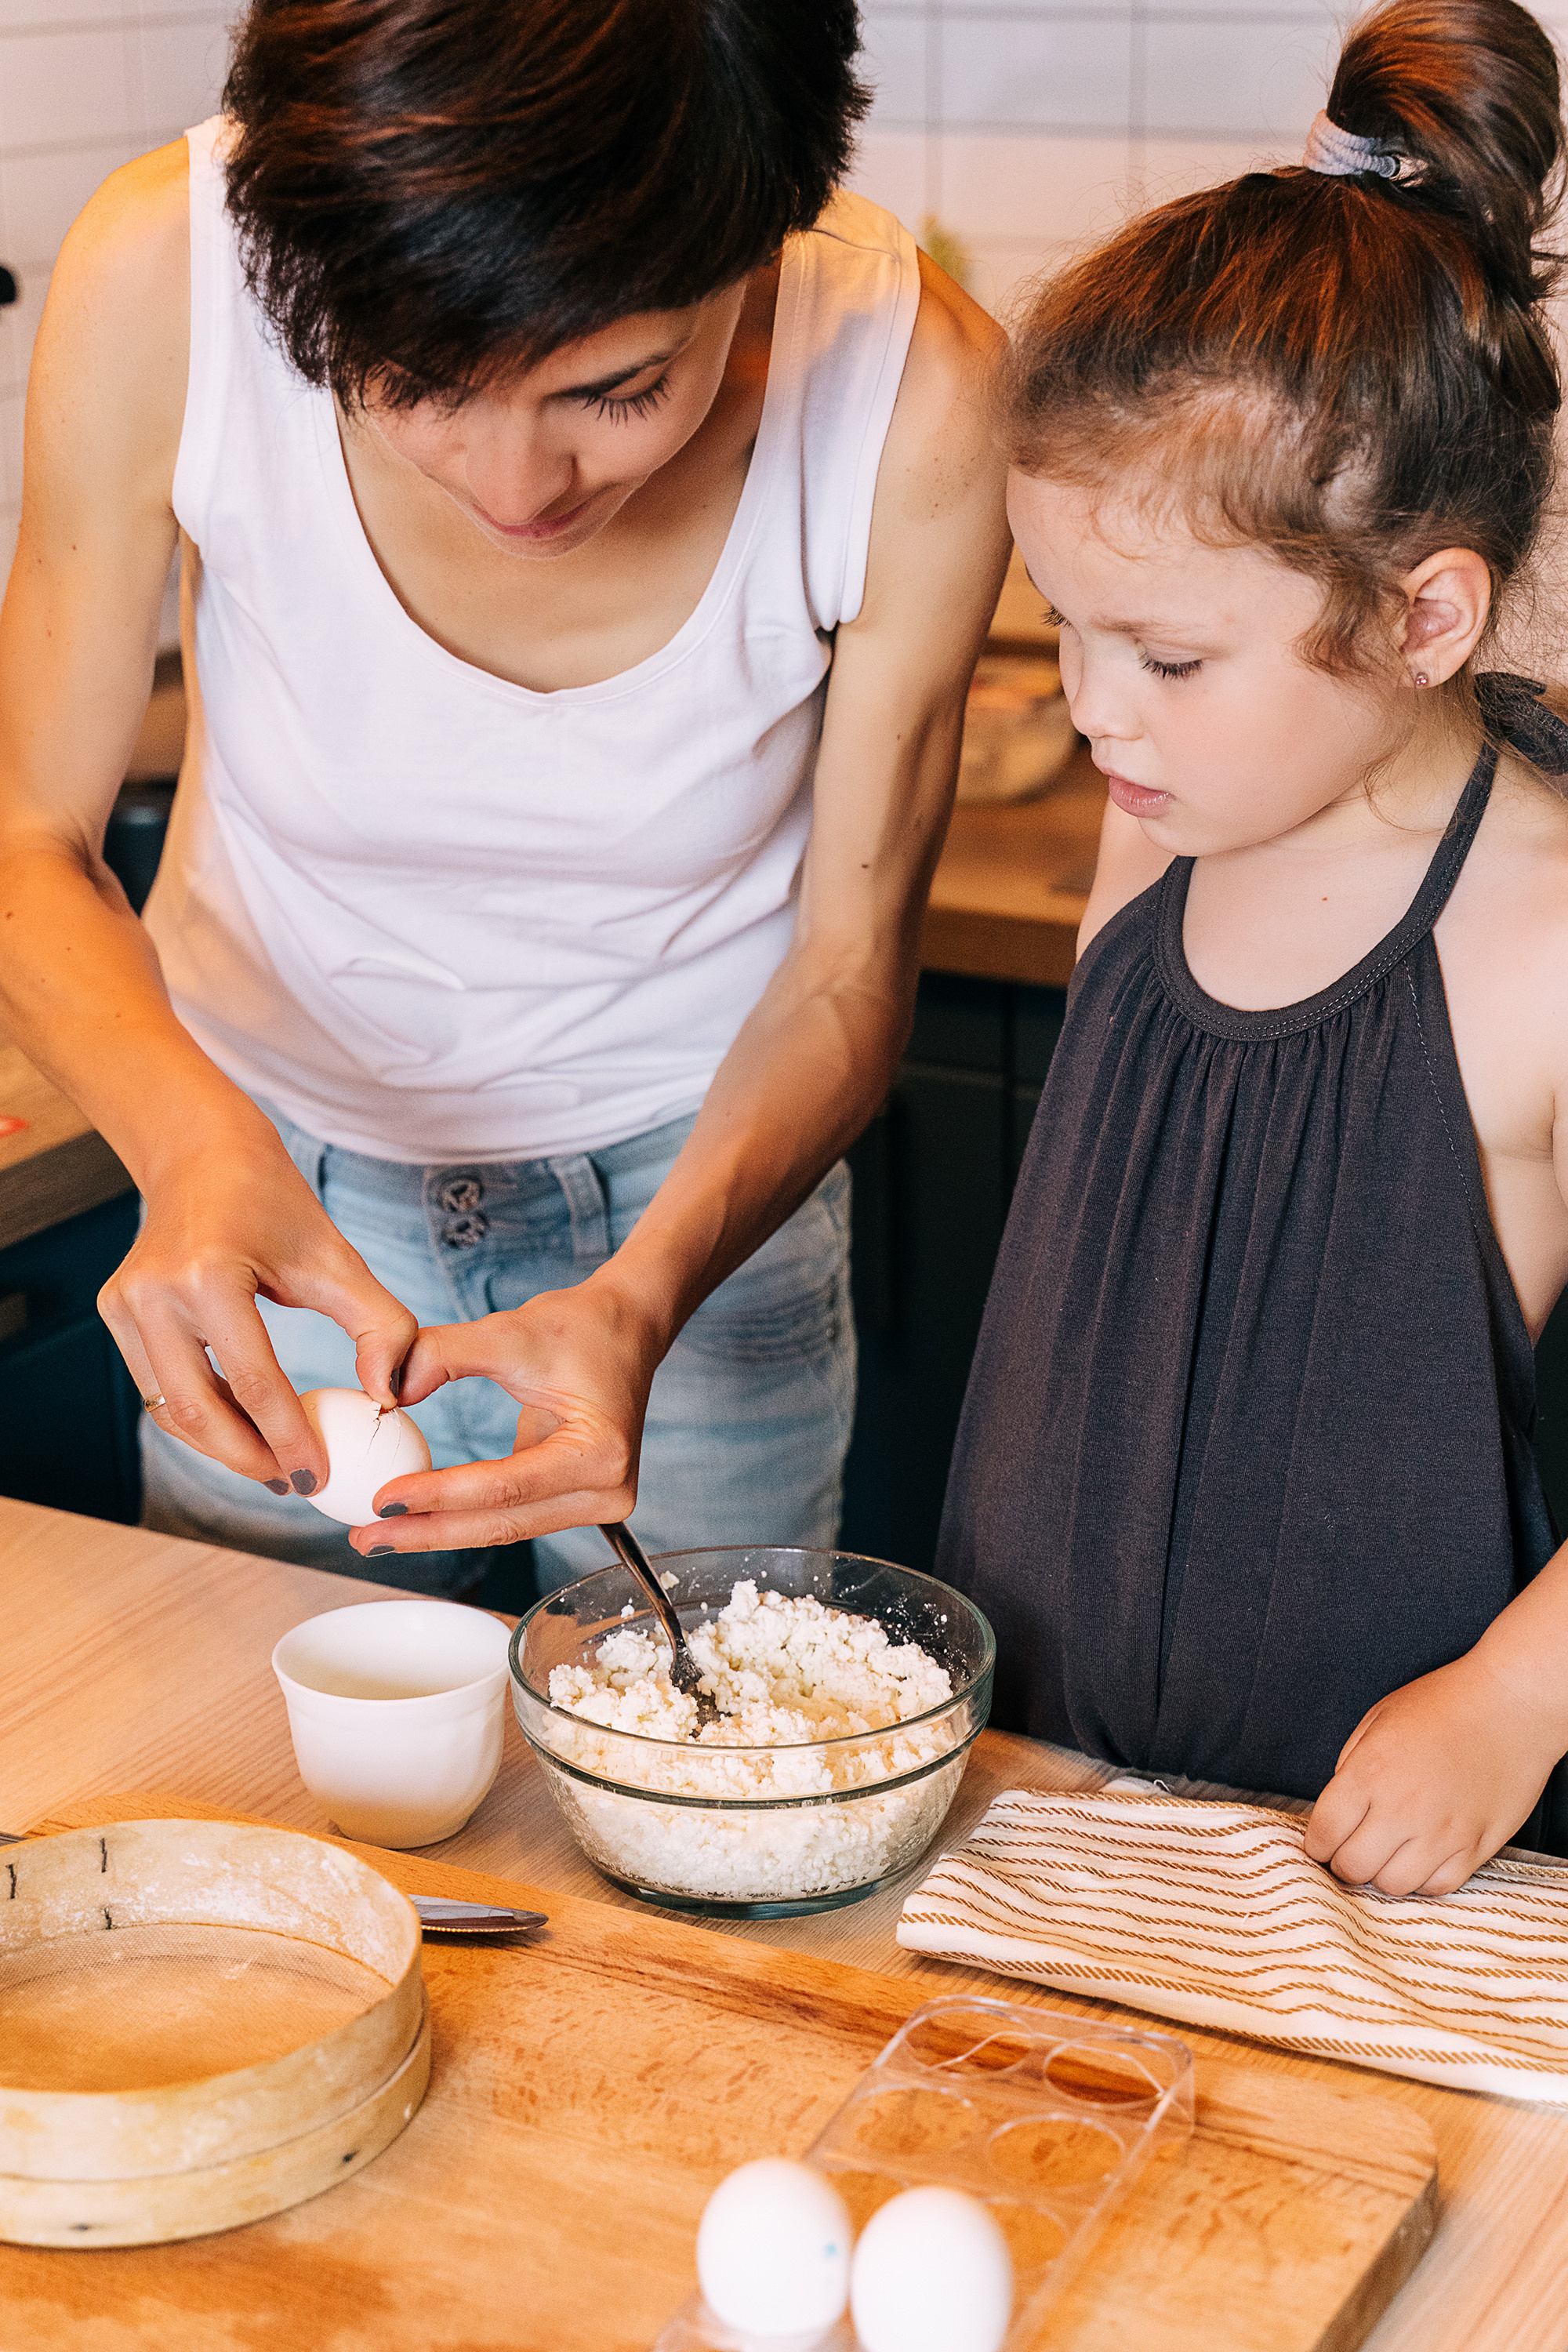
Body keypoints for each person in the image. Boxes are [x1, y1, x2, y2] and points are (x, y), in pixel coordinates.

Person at [0, 0, 1009, 1595]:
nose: (512, 487)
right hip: (264, 1190)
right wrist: (191, 1147)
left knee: (697, 1790)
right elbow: (27, 841)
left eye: (616, 388)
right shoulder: (165, 269)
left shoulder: (912, 388)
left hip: (700, 1221)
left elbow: (847, 971)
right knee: (261, 1796)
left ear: (764, 239)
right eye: (410, 379)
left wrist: (647, 1290)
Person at [937, 0, 1568, 1892]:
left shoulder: (1538, 937)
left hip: (1376, 1878)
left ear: (1421, 615)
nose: (1093, 709)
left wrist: (1516, 1703)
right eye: (1064, 624)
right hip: (1050, 1807)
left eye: (1169, 655)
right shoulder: (1158, 846)